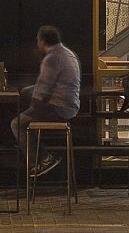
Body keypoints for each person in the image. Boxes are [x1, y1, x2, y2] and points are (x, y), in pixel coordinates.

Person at [11, 24, 81, 178]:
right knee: (29, 113)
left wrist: (32, 107)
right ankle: (41, 156)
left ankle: (41, 160)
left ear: (42, 41)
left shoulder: (51, 58)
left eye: (38, 40)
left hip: (58, 108)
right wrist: (28, 91)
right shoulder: (68, 53)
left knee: (17, 124)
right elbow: (54, 83)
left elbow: (42, 89)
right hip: (71, 106)